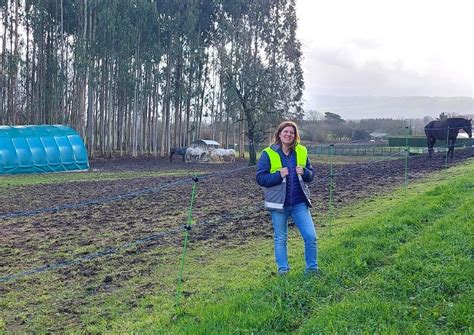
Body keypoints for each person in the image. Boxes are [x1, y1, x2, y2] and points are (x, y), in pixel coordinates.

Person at [256, 120, 318, 276]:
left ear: (295, 136)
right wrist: (279, 175)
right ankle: (283, 271)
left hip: (299, 203)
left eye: (292, 132)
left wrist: (304, 172)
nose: (288, 134)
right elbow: (261, 178)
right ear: (279, 134)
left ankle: (312, 269)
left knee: (310, 236)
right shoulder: (268, 153)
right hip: (278, 205)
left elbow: (311, 176)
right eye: (285, 132)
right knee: (280, 239)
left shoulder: (302, 151)